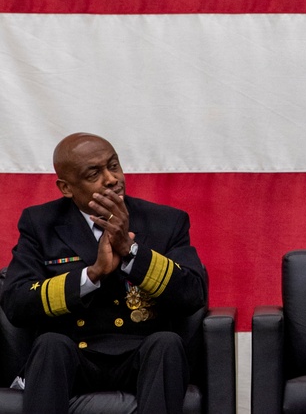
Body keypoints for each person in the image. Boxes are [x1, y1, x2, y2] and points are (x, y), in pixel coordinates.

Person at [0, 133, 207, 414]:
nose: (111, 179)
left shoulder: (165, 221)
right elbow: (16, 302)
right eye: (94, 174)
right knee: (49, 344)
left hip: (141, 354)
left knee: (167, 343)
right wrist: (91, 275)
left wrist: (132, 252)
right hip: (74, 354)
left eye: (113, 165)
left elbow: (193, 294)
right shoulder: (40, 223)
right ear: (66, 187)